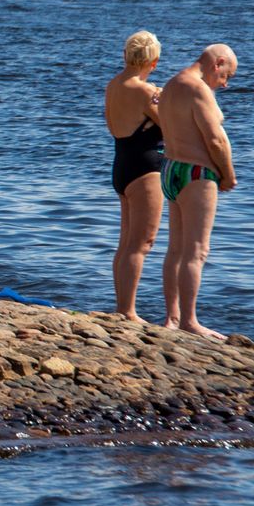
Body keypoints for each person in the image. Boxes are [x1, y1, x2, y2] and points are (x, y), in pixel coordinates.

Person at [156, 44, 239, 339]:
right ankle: (190, 321)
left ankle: (172, 317)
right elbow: (215, 139)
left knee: (175, 249)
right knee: (197, 251)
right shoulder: (198, 89)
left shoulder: (171, 84)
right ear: (217, 63)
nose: (226, 84)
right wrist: (228, 175)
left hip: (170, 169)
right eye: (227, 75)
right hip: (196, 172)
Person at [105, 31, 166, 321]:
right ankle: (127, 310)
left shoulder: (113, 86)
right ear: (152, 62)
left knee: (127, 241)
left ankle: (122, 306)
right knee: (142, 242)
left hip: (121, 162)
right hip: (144, 167)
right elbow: (170, 124)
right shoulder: (145, 92)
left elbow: (111, 124)